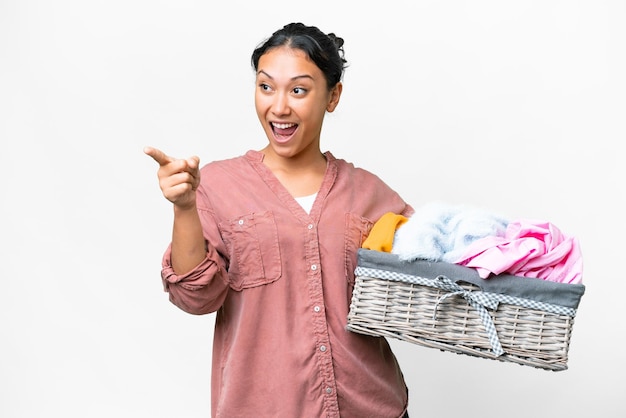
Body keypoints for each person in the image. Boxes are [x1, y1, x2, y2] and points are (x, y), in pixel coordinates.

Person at [145, 22, 413, 418]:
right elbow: (195, 297)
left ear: (333, 96)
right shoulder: (218, 186)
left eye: (298, 90)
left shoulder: (370, 195)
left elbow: (425, 281)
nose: (279, 106)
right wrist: (184, 206)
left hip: (372, 407)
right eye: (266, 87)